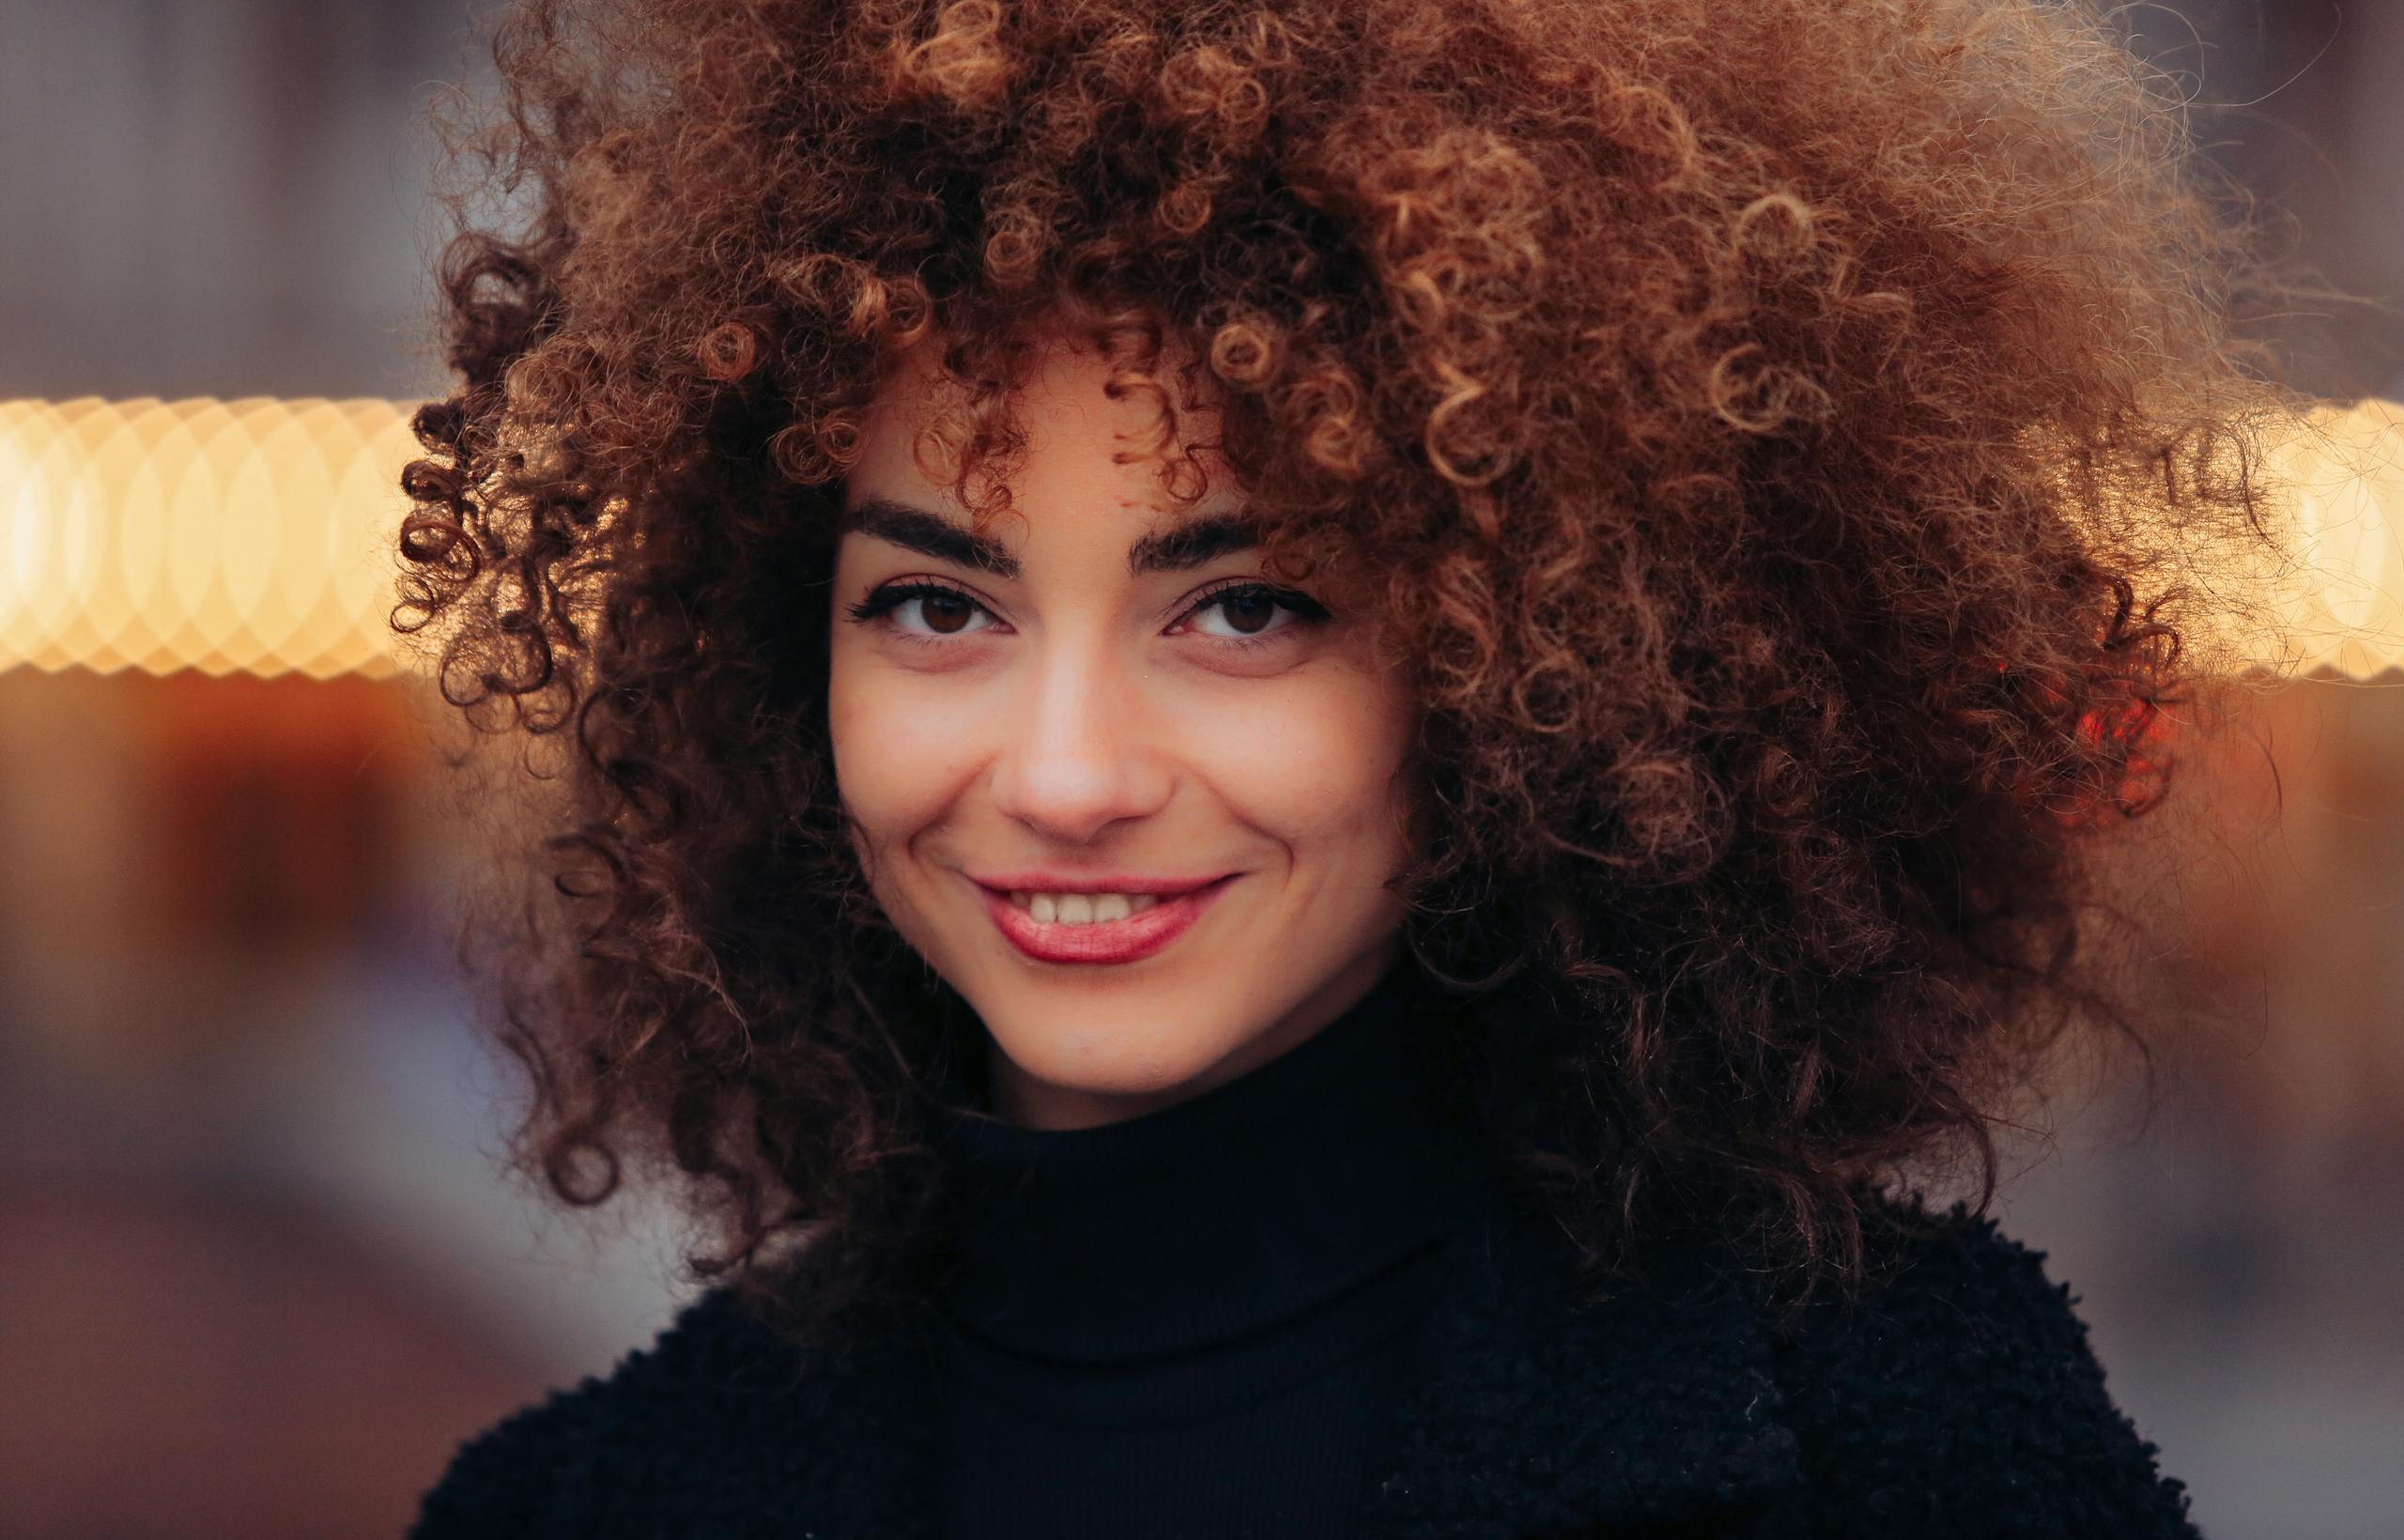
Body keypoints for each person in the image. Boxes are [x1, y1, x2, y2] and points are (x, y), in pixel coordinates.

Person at [395, 0, 2299, 1532]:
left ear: (1537, 665)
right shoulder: (580, 1507)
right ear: (772, 651)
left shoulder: (1895, 1447)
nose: (1064, 778)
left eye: (1243, 609)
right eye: (936, 606)